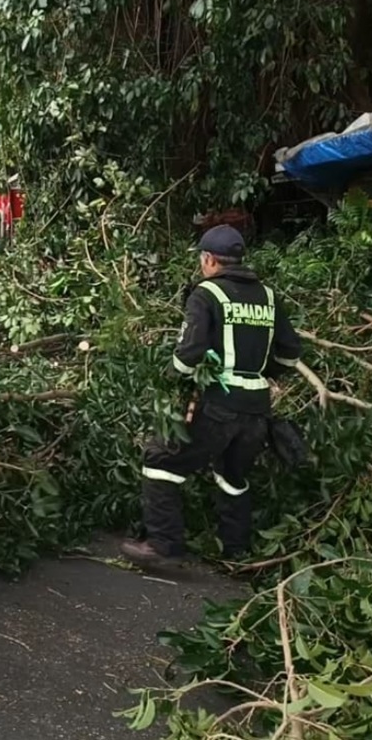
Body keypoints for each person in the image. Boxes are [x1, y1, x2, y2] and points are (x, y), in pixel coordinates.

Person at [121, 225, 302, 569]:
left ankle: (163, 546)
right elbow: (290, 354)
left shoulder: (206, 294)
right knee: (233, 476)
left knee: (161, 462)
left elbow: (188, 354)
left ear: (209, 260)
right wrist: (260, 375)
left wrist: (172, 380)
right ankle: (236, 553)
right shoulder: (268, 296)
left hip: (218, 404)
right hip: (257, 409)